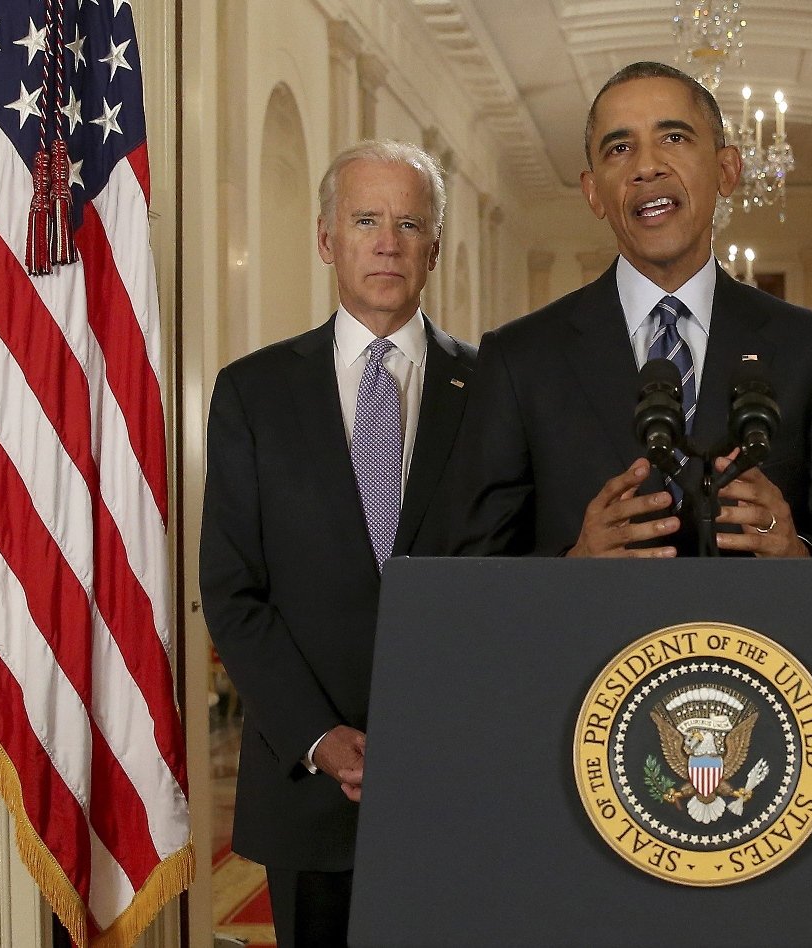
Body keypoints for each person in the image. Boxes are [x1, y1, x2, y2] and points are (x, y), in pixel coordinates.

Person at [199, 140, 475, 946]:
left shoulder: (494, 391)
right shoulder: (253, 392)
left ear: (433, 247)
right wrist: (320, 737)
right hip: (308, 786)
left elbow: (515, 579)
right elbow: (232, 588)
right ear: (327, 240)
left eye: (407, 222)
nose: (386, 241)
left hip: (459, 777)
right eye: (364, 220)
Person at [450, 62, 812, 558]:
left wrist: (798, 557)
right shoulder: (516, 359)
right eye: (619, 148)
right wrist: (571, 570)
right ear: (594, 192)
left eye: (674, 138)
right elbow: (470, 576)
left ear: (727, 170)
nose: (646, 166)